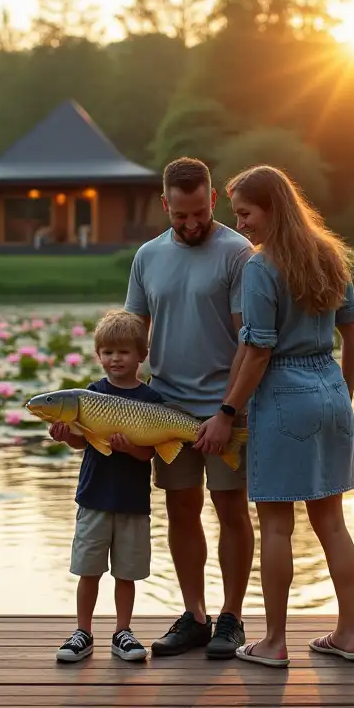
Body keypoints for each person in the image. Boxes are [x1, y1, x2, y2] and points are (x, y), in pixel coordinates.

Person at [202, 165, 354, 669]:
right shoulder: (330, 254)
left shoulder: (261, 267)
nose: (242, 224)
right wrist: (342, 392)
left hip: (282, 397)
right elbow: (353, 335)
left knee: (276, 526)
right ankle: (348, 634)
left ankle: (274, 642)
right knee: (332, 523)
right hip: (330, 390)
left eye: (246, 213)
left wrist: (227, 412)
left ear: (271, 208)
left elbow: (257, 353)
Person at [125, 157, 256, 659]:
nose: (191, 223)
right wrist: (116, 403)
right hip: (165, 410)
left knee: (231, 509)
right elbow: (134, 334)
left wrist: (227, 411)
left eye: (199, 212)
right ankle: (196, 615)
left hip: (226, 410)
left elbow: (249, 341)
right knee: (181, 509)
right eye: (181, 215)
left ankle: (232, 618)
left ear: (212, 200)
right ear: (165, 205)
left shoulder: (238, 252)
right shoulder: (147, 256)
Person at [51, 309, 164, 663]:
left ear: (141, 356)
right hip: (94, 497)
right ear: (98, 356)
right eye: (108, 352)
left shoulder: (151, 400)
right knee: (89, 569)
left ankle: (123, 631)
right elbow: (83, 443)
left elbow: (149, 455)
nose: (116, 359)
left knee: (126, 573)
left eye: (124, 352)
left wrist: (131, 447)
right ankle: (82, 631)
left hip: (132, 501)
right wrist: (65, 436)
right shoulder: (90, 395)